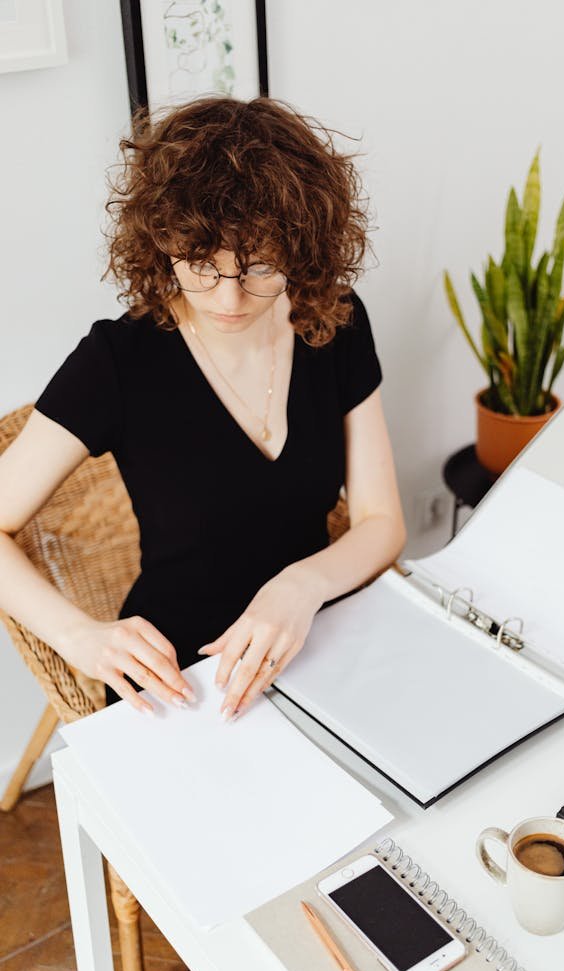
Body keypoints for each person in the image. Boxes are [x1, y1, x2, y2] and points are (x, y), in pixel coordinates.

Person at [0, 96, 406, 721]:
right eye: (199, 265)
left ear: (301, 247)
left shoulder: (336, 322)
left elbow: (382, 522)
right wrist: (80, 636)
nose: (230, 299)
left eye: (260, 265)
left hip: (320, 640)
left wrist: (300, 587)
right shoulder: (118, 361)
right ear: (162, 243)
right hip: (184, 680)